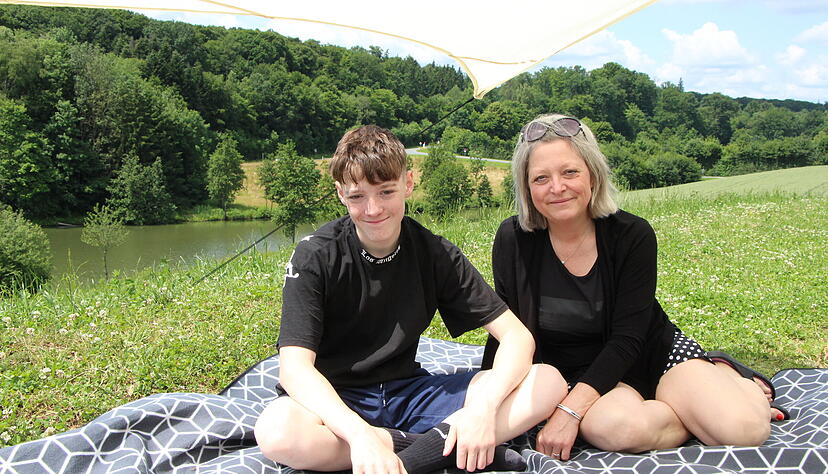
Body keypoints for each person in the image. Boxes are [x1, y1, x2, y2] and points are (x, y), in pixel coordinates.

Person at [255, 125, 567, 474]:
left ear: (409, 183)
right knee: (277, 432)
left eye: (386, 192)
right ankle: (449, 449)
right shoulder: (314, 255)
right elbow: (295, 369)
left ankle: (410, 457)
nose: (373, 209)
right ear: (340, 193)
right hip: (338, 399)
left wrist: (483, 409)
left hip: (411, 393)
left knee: (547, 381)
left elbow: (517, 337)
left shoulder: (434, 252)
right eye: (357, 196)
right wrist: (360, 435)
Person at [482, 114, 790, 461]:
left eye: (570, 172)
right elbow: (507, 331)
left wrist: (569, 413)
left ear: (593, 174)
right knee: (615, 429)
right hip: (574, 374)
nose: (557, 187)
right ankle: (690, 411)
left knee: (743, 431)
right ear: (526, 187)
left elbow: (629, 337)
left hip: (647, 354)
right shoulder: (513, 239)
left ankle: (725, 374)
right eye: (541, 178)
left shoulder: (632, 235)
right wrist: (488, 400)